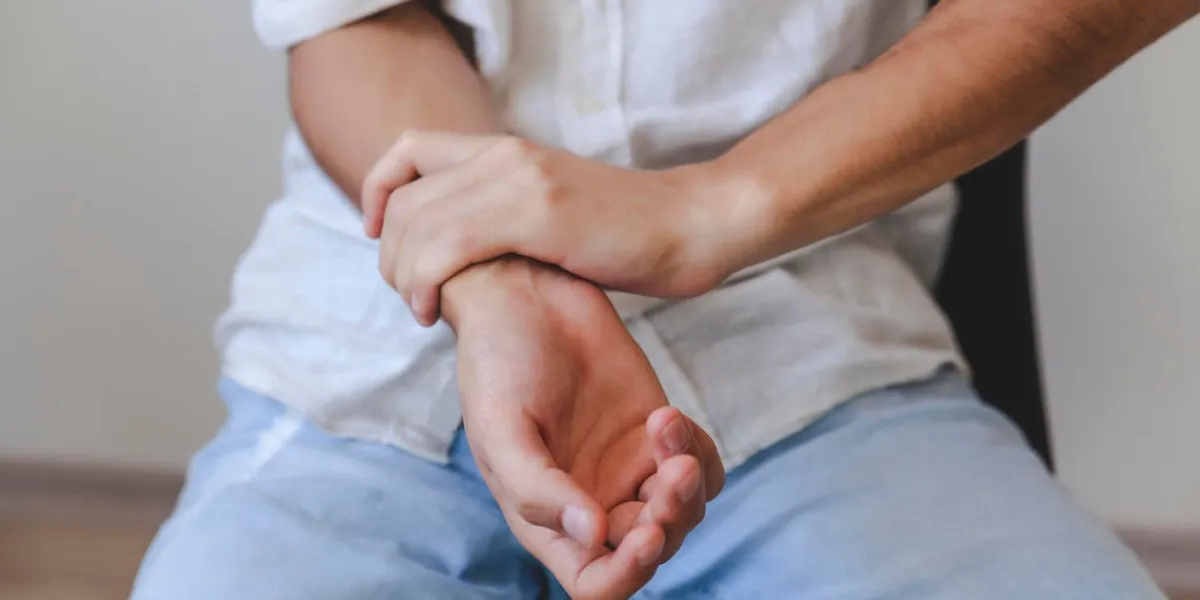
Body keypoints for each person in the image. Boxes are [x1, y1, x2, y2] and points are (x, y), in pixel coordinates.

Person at [131, 1, 1198, 598]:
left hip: (809, 342)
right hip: (379, 368)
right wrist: (492, 273)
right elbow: (356, 21)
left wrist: (710, 211)